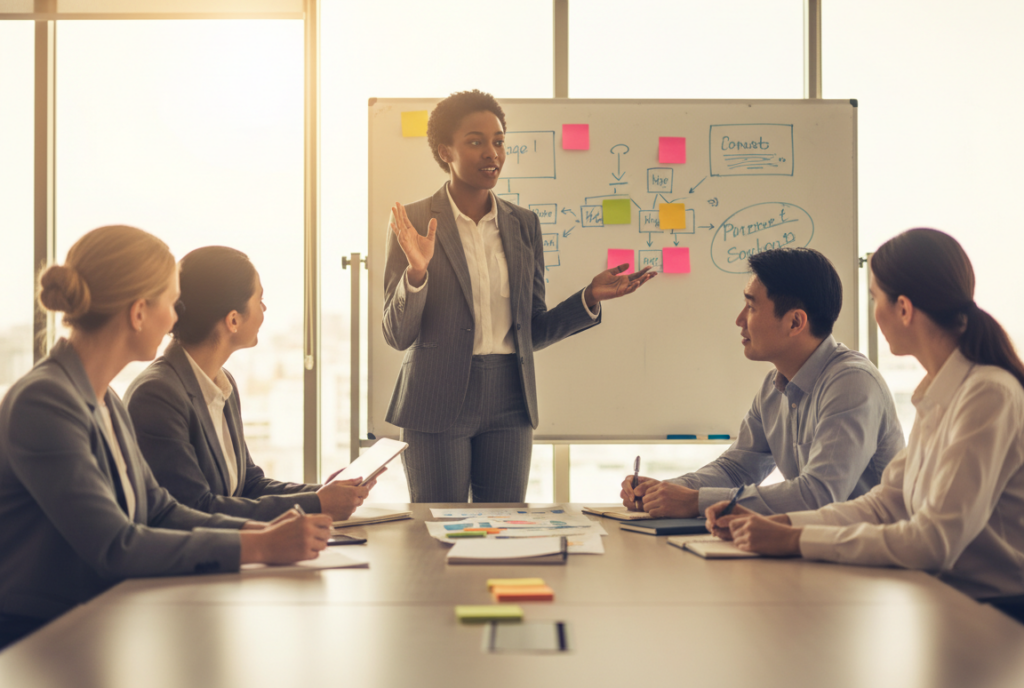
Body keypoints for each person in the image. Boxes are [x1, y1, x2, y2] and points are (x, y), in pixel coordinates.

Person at [0, 226, 332, 650]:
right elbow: (116, 544)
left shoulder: (108, 401)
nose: (177, 318)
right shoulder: (44, 402)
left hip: (98, 624)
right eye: (171, 303)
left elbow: (160, 511)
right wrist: (258, 545)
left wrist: (259, 530)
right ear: (139, 313)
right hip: (39, 641)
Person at [706, 229, 1024, 622]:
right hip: (943, 601)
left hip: (996, 616)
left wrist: (797, 538)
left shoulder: (987, 395)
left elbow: (933, 540)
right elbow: (888, 502)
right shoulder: (939, 394)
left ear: (903, 309)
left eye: (875, 299)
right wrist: (781, 524)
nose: (874, 312)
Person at [384, 89, 654, 503]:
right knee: (437, 535)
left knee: (506, 529)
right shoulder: (416, 221)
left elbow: (533, 328)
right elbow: (397, 333)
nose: (491, 152)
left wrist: (588, 298)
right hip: (436, 400)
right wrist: (417, 272)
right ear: (446, 151)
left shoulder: (523, 224)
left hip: (510, 399)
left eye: (498, 141)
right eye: (475, 141)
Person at [621, 247, 904, 517]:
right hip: (819, 548)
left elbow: (820, 494)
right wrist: (662, 492)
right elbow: (735, 470)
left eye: (751, 307)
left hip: (872, 559)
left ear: (795, 323)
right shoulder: (774, 386)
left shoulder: (851, 382)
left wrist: (695, 501)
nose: (739, 320)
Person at [125, 246, 371, 522]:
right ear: (233, 320)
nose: (264, 309)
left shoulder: (223, 383)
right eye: (259, 299)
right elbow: (194, 509)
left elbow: (249, 486)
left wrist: (325, 493)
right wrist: (316, 504)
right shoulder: (158, 395)